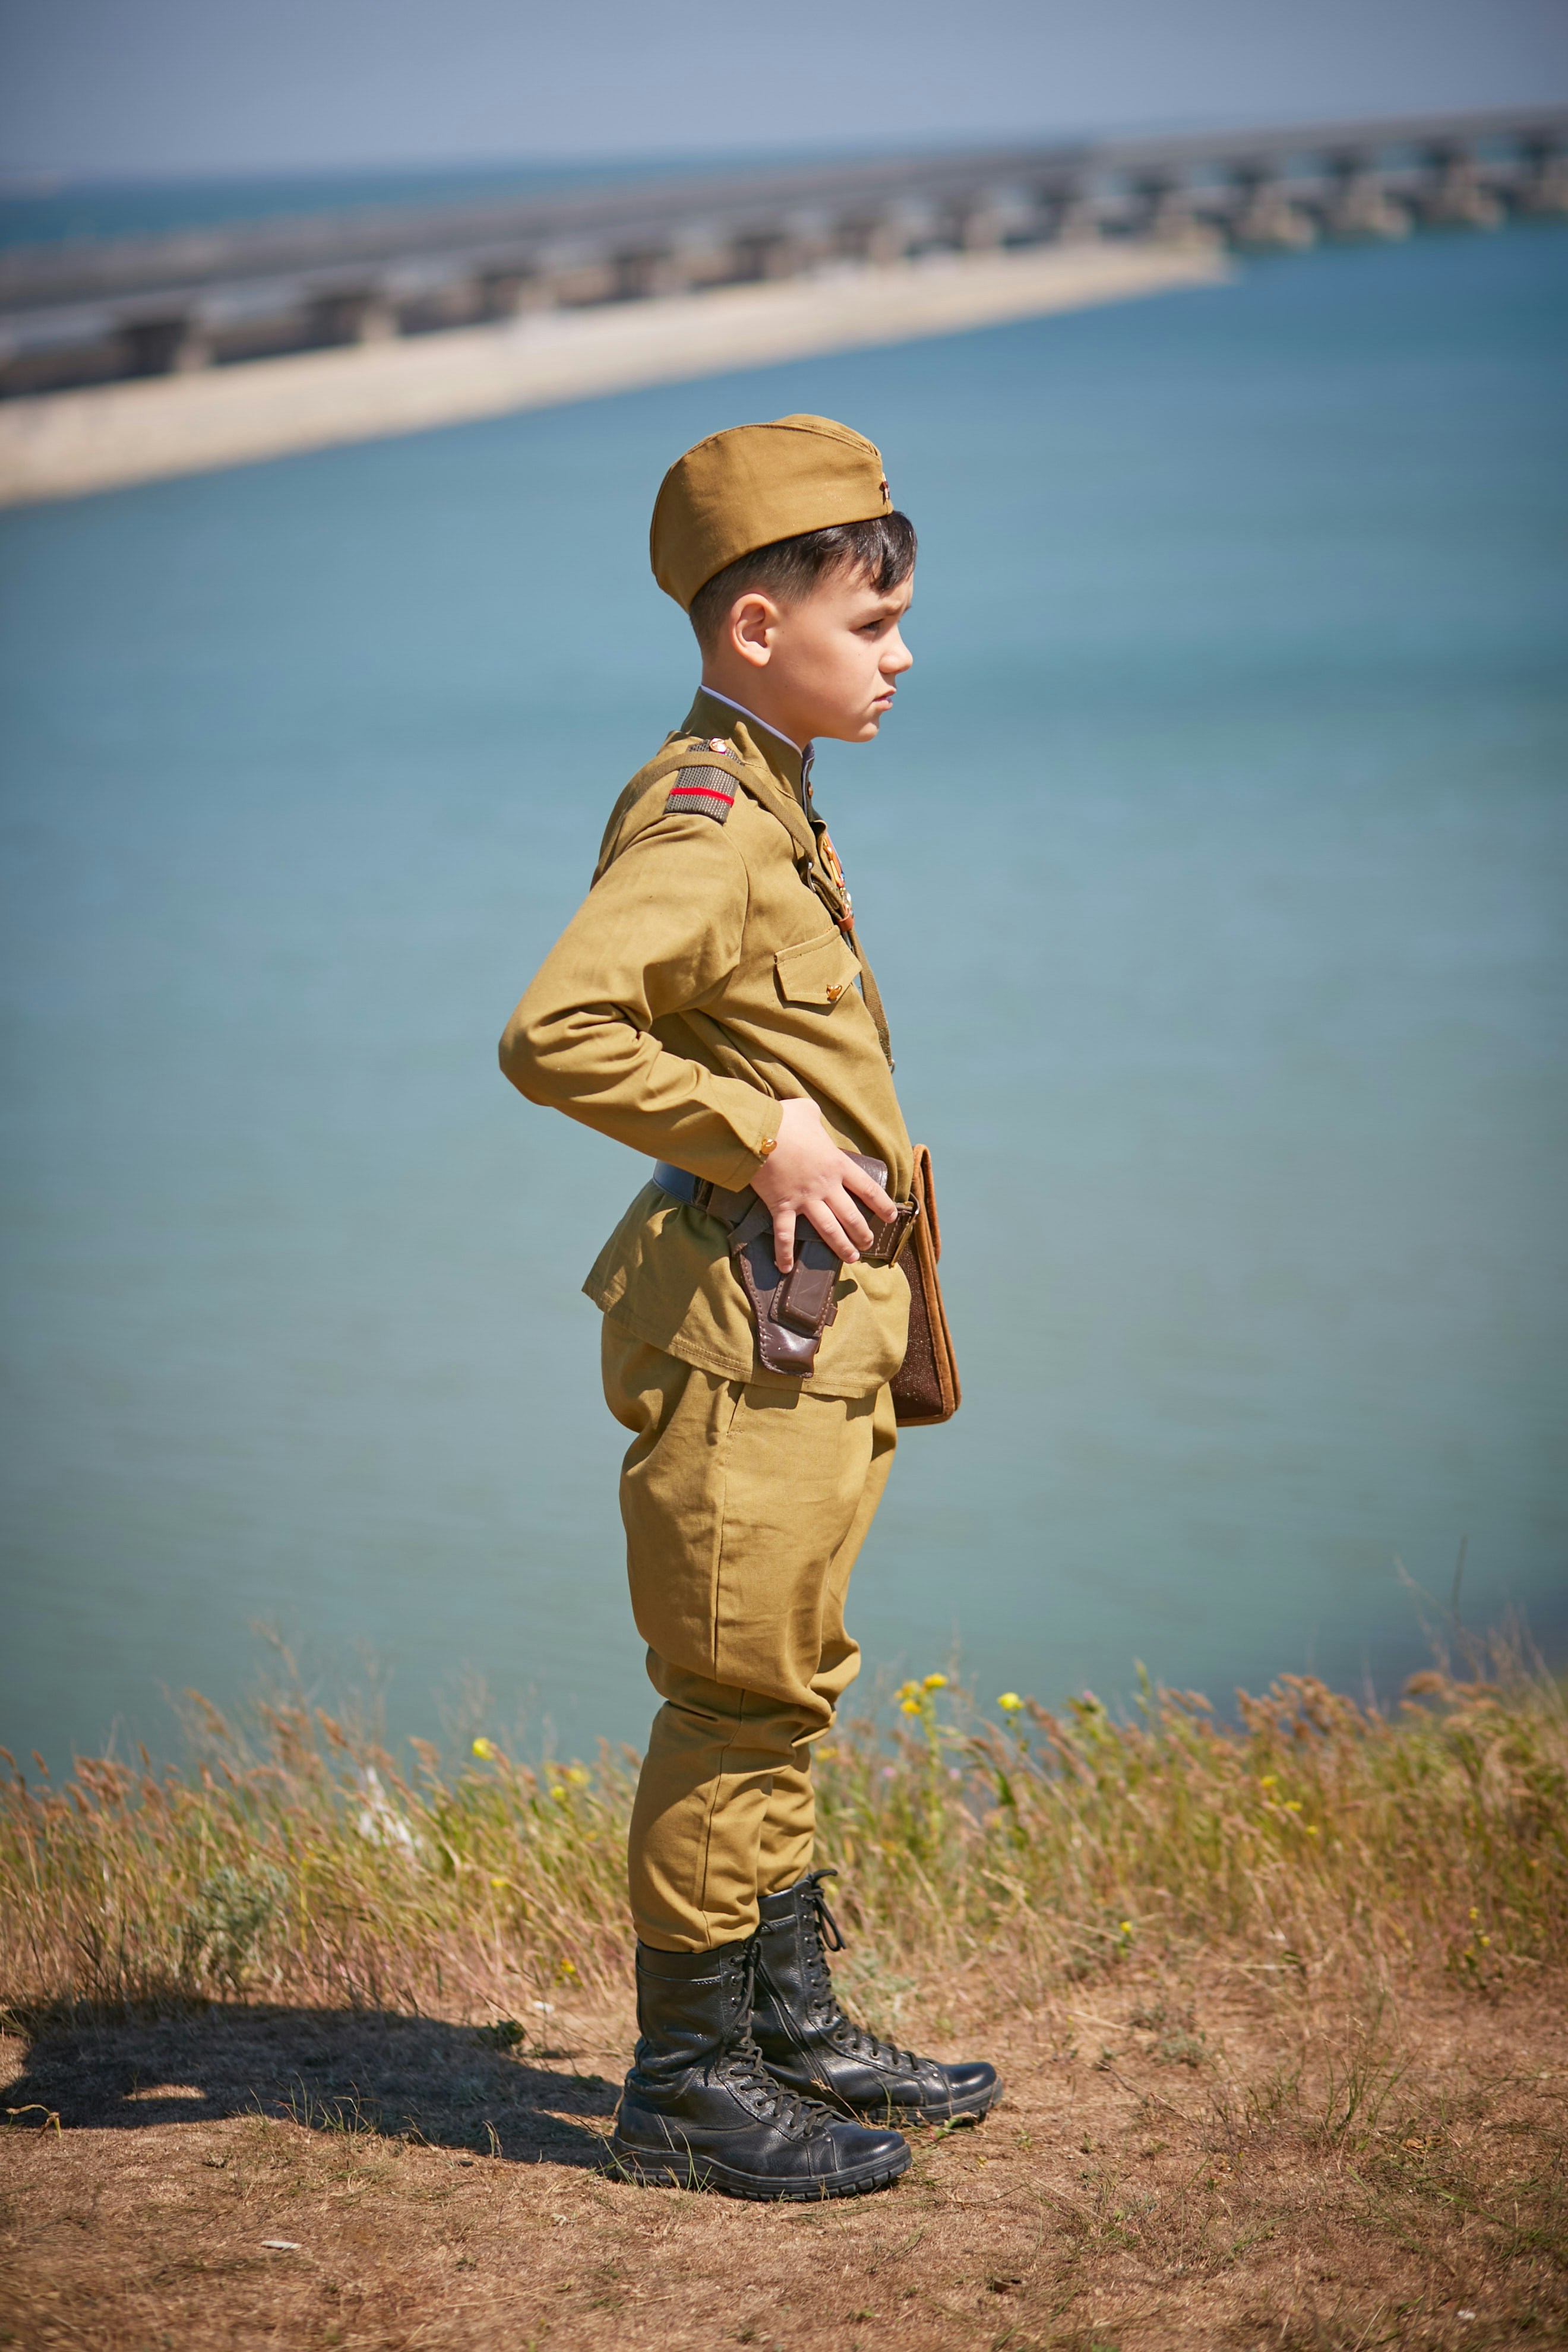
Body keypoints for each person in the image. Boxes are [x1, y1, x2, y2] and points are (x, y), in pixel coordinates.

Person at [500, 413, 997, 2200]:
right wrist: (758, 1129)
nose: (902, 653)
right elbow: (555, 1032)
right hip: (742, 1339)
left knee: (786, 1683)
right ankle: (690, 2087)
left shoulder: (772, 790)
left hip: (808, 1332)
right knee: (735, 1697)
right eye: (874, 622)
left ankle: (786, 2029)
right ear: (758, 627)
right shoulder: (707, 816)